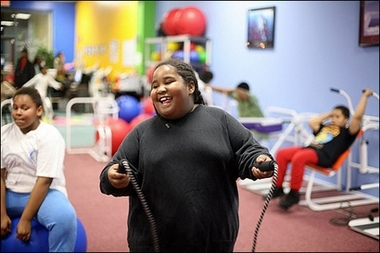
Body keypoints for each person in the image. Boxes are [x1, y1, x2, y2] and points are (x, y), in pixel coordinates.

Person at [99, 59, 275, 252]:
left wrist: (258, 161)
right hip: (153, 242)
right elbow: (112, 172)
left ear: (190, 86)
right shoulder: (142, 132)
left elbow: (248, 151)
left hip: (213, 241)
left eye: (168, 82)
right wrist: (112, 176)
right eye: (155, 86)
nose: (160, 89)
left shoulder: (220, 120)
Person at [269, 88, 374, 210]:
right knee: (282, 153)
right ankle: (277, 187)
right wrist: (331, 113)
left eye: (337, 116)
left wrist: (365, 97)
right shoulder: (326, 127)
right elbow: (313, 122)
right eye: (333, 116)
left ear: (346, 119)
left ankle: (294, 194)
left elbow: (357, 117)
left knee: (299, 157)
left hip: (324, 156)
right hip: (310, 150)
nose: (333, 119)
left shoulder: (347, 133)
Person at [0, 86, 77, 251]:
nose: (18, 112)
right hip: (11, 193)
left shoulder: (50, 135)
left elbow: (44, 180)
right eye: (15, 108)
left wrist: (25, 219)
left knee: (65, 217)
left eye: (25, 108)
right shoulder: (3, 134)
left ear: (39, 110)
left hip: (45, 193)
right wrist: (1, 214)